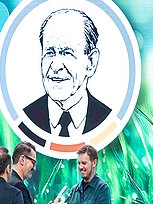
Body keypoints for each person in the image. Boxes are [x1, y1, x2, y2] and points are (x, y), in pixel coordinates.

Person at [23, 9, 111, 137]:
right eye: (50, 53)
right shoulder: (27, 118)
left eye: (67, 53)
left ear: (91, 62)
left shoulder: (107, 120)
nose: (56, 66)